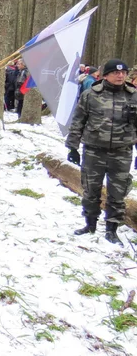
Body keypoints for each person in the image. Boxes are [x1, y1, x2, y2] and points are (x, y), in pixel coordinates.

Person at [66, 59, 137, 246]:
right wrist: (72, 147)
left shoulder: (134, 96)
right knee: (91, 190)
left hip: (122, 152)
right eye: (115, 72)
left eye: (123, 73)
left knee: (118, 192)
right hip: (94, 152)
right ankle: (90, 224)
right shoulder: (91, 95)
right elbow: (78, 121)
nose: (120, 75)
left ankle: (112, 229)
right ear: (105, 75)